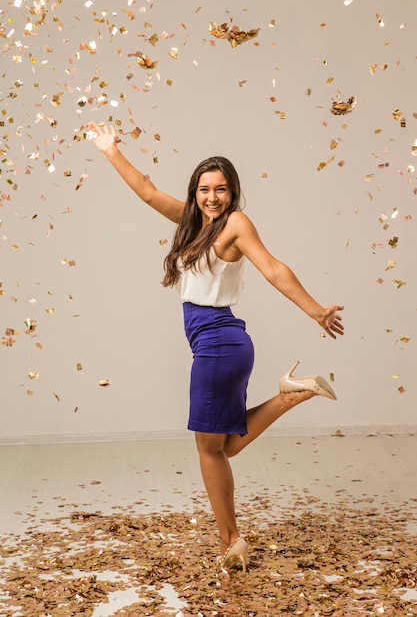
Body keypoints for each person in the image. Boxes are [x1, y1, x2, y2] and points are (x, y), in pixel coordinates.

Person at [88, 121, 344, 573]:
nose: (212, 197)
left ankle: (232, 542)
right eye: (204, 189)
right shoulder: (194, 221)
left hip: (219, 341)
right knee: (224, 446)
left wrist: (316, 310)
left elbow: (274, 268)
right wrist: (111, 151)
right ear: (196, 192)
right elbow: (148, 192)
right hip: (216, 342)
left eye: (221, 190)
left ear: (233, 193)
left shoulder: (236, 225)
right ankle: (293, 391)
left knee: (210, 449)